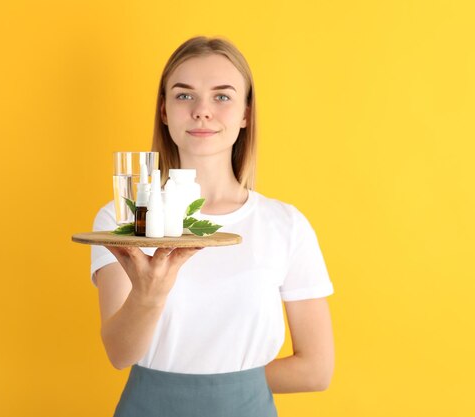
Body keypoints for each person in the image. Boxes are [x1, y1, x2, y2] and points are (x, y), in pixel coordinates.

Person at [90, 36, 335, 417]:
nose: (202, 111)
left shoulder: (285, 225)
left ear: (245, 114)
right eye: (184, 95)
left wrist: (225, 389)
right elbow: (120, 354)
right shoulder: (124, 219)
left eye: (222, 97)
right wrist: (150, 293)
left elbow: (316, 370)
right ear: (164, 110)